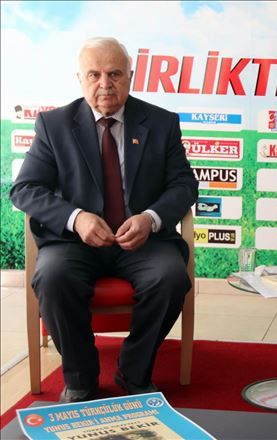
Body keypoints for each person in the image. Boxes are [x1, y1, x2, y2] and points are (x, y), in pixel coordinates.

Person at [11, 37, 198, 403]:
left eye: (114, 74)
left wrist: (150, 219)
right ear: (79, 79)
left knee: (171, 277)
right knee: (53, 277)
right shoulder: (54, 125)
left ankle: (134, 372)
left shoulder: (161, 123)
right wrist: (76, 218)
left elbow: (183, 185)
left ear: (130, 76)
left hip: (143, 241)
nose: (104, 84)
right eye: (94, 75)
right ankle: (80, 378)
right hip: (74, 243)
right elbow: (26, 189)